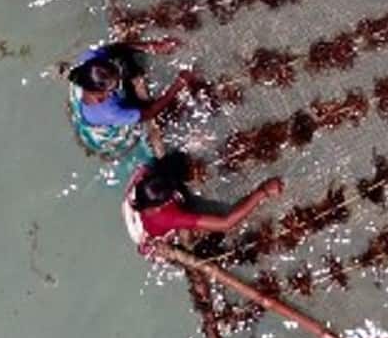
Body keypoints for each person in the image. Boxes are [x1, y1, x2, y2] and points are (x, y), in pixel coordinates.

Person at [67, 38, 194, 181]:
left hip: (86, 110)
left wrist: (151, 47)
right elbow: (150, 112)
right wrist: (178, 86)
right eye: (114, 86)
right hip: (103, 132)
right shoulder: (111, 111)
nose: (119, 81)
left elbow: (115, 48)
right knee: (139, 136)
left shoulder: (90, 58)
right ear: (101, 96)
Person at [122, 152, 284, 252]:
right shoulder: (169, 216)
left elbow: (146, 167)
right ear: (163, 203)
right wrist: (263, 192)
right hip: (148, 231)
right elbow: (226, 223)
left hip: (136, 214)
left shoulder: (142, 181)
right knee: (214, 224)